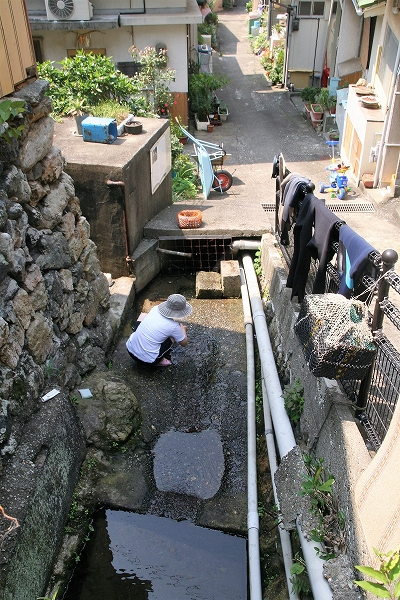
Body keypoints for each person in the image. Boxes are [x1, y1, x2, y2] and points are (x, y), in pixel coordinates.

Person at [126, 294, 192, 367]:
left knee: (143, 315)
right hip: (148, 360)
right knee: (173, 338)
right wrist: (183, 330)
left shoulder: (155, 308)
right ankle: (160, 360)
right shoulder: (174, 326)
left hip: (130, 349)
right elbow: (184, 343)